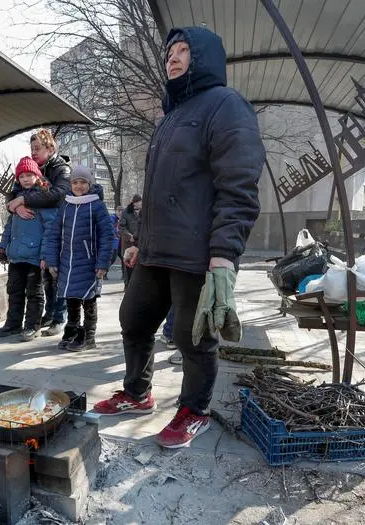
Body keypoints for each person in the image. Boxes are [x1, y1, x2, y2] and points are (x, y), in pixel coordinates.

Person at [92, 26, 264, 449]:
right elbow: (158, 193)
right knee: (133, 321)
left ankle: (194, 410)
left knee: (193, 338)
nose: (173, 57)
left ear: (203, 57)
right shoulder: (170, 116)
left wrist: (224, 253)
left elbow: (239, 185)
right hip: (155, 251)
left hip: (197, 253)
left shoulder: (226, 105)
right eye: (170, 51)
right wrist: (138, 241)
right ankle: (137, 393)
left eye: (184, 50)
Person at [7, 129, 71, 337]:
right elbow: (14, 193)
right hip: (38, 232)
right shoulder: (33, 169)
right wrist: (15, 206)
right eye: (31, 148)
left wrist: (24, 200)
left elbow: (57, 194)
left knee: (55, 273)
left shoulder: (62, 168)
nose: (33, 152)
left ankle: (59, 316)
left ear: (50, 148)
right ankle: (51, 313)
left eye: (37, 148)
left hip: (60, 227)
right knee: (47, 277)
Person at [42, 165, 113, 352]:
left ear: (89, 184)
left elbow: (107, 236)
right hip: (67, 263)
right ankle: (73, 331)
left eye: (83, 182)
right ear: (70, 184)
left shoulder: (96, 205)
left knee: (89, 301)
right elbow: (53, 234)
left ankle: (89, 336)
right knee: (71, 299)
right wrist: (52, 261)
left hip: (90, 264)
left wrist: (102, 263)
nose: (79, 186)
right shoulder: (66, 205)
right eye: (75, 182)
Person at [0, 157, 57, 341]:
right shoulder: (15, 200)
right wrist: (3, 247)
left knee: (34, 293)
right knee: (14, 291)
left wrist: (46, 253)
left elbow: (50, 228)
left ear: (37, 176)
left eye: (29, 175)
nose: (25, 179)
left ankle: (32, 325)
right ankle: (13, 324)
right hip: (15, 256)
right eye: (21, 176)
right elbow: (9, 226)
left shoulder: (42, 199)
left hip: (34, 257)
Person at [119, 195, 141, 287]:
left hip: (139, 242)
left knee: (137, 263)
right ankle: (127, 284)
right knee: (127, 263)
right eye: (139, 202)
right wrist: (130, 236)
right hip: (128, 242)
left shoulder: (143, 212)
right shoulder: (126, 212)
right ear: (135, 202)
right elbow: (121, 227)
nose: (141, 204)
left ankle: (136, 284)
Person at [105, 208, 120, 280]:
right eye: (118, 211)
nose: (120, 213)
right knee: (112, 258)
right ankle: (104, 273)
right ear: (116, 211)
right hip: (113, 242)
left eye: (121, 211)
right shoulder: (112, 218)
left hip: (120, 243)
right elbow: (110, 229)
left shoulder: (122, 219)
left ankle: (124, 276)